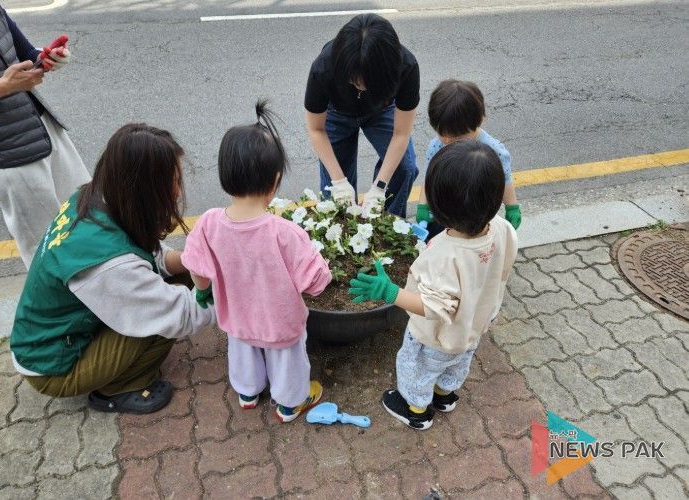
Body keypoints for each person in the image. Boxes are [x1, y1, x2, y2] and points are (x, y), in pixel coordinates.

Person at [10, 124, 216, 414]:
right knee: (160, 323)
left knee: (186, 277)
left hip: (55, 334)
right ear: (145, 191)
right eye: (172, 182)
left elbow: (146, 252)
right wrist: (240, 296)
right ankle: (118, 387)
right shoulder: (110, 266)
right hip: (52, 367)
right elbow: (182, 315)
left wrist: (191, 259)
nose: (178, 192)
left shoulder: (97, 196)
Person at [349, 141, 518, 430]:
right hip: (472, 326)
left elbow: (433, 307)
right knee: (457, 363)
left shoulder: (445, 254)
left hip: (435, 338)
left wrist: (390, 292)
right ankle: (444, 395)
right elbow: (503, 265)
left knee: (419, 369)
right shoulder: (502, 228)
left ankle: (416, 409)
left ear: (441, 208)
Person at [182, 100, 331, 423]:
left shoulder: (208, 223)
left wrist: (203, 289)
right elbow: (316, 283)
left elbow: (196, 267)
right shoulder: (285, 233)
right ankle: (290, 403)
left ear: (225, 175)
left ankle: (248, 393)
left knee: (243, 350)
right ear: (275, 182)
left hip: (237, 316)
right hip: (280, 322)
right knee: (288, 360)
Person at [0, 0, 91, 269]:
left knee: (90, 218)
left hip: (44, 128)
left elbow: (25, 54)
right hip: (8, 154)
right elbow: (7, 81)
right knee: (47, 252)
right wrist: (4, 86)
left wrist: (47, 59)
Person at [304, 13, 419, 218]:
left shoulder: (405, 67)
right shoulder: (324, 67)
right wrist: (339, 181)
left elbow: (401, 133)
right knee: (335, 194)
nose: (359, 87)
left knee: (404, 168)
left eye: (366, 82)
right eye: (354, 80)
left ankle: (387, 222)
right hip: (337, 112)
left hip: (381, 109)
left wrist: (380, 187)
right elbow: (316, 129)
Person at [416, 80, 521, 238]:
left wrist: (512, 207)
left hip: (476, 215)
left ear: (480, 119)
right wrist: (423, 205)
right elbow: (429, 177)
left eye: (456, 137)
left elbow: (505, 179)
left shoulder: (494, 151)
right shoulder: (437, 145)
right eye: (442, 133)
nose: (447, 141)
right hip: (443, 212)